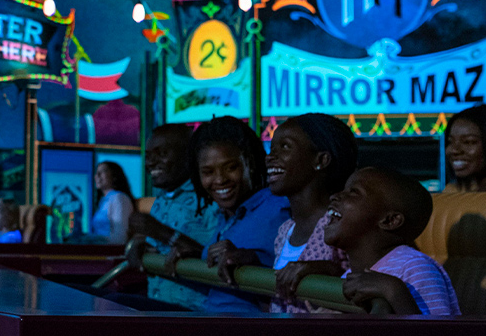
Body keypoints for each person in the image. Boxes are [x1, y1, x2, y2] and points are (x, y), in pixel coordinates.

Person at [166, 116, 290, 313]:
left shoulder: (278, 206)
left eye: (231, 167)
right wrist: (198, 254)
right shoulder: (225, 216)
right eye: (208, 172)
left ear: (249, 162)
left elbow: (297, 268)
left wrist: (255, 262)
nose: (220, 179)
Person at [324, 167, 460, 315]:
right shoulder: (349, 277)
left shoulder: (414, 267)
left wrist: (393, 291)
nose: (334, 196)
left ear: (390, 220)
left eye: (353, 192)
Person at [266, 114, 357, 312]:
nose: (270, 157)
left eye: (285, 147)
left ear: (321, 160)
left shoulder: (343, 223)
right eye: (272, 148)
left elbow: (369, 278)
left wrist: (330, 271)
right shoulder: (285, 231)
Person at [129, 124, 220, 310]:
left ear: (189, 156)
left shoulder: (210, 199)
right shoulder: (162, 200)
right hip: (159, 305)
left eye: (161, 153)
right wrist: (138, 245)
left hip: (194, 313)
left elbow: (217, 259)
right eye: (148, 155)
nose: (151, 162)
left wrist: (158, 231)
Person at [88, 161, 135, 245]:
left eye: (103, 171)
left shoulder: (119, 198)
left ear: (114, 176)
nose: (97, 176)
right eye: (96, 172)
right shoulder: (104, 201)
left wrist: (92, 240)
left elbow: (120, 238)